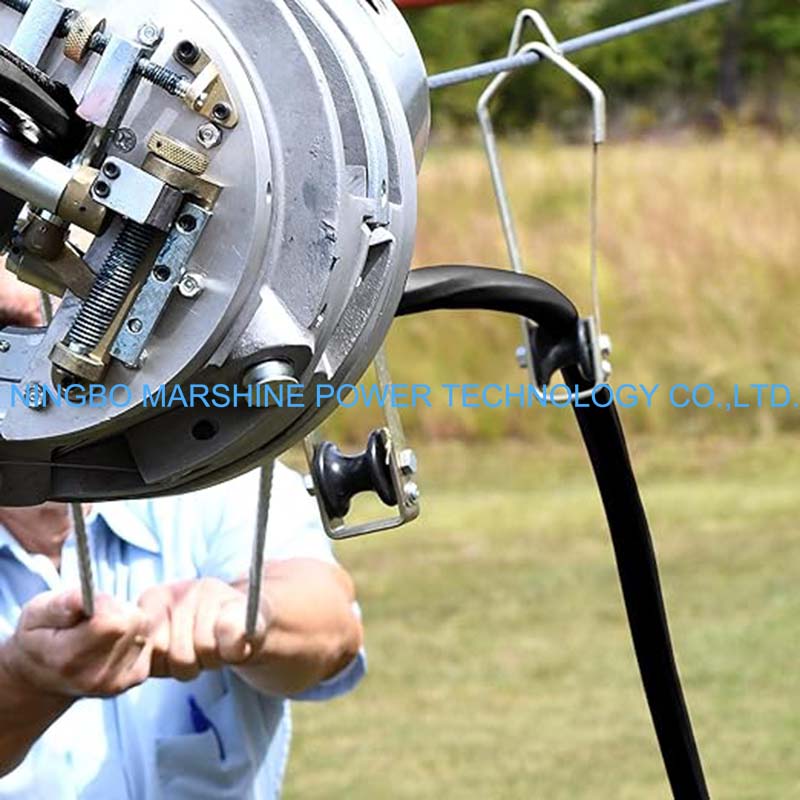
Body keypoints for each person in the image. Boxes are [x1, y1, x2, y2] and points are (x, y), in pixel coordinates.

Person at [0, 272, 366, 798]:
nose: (32, 361)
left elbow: (329, 624)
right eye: (9, 332)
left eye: (63, 323)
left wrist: (249, 618)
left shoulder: (202, 472)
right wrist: (23, 681)